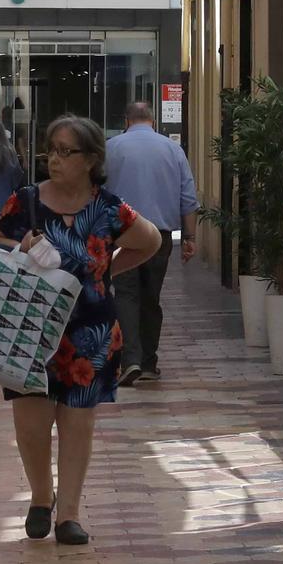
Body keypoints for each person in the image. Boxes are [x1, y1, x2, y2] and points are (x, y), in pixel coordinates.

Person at [0, 116, 162, 546]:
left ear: (91, 160)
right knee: (30, 423)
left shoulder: (108, 208)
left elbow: (151, 241)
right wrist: (21, 246)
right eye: (52, 149)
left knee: (77, 423)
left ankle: (68, 513)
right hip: (29, 325)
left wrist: (107, 270)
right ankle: (40, 496)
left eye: (67, 151)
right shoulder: (26, 201)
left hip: (89, 328)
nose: (56, 159)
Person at [105, 101, 199, 386]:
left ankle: (129, 359)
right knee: (151, 297)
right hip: (159, 237)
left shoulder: (112, 148)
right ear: (153, 121)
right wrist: (190, 238)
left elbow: (97, 193)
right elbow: (188, 198)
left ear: (127, 120)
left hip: (122, 234)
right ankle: (148, 362)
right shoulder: (173, 150)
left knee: (125, 293)